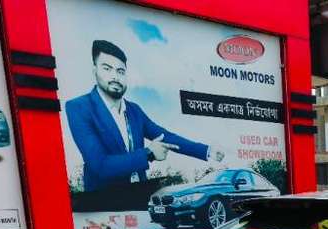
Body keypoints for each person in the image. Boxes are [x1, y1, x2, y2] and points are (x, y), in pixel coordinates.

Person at [65, 40, 224, 193]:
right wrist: (148, 153)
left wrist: (207, 151)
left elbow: (165, 136)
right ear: (95, 71)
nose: (115, 76)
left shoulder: (134, 110)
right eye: (107, 68)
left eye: (120, 71)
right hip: (103, 207)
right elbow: (100, 165)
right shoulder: (79, 107)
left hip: (139, 198)